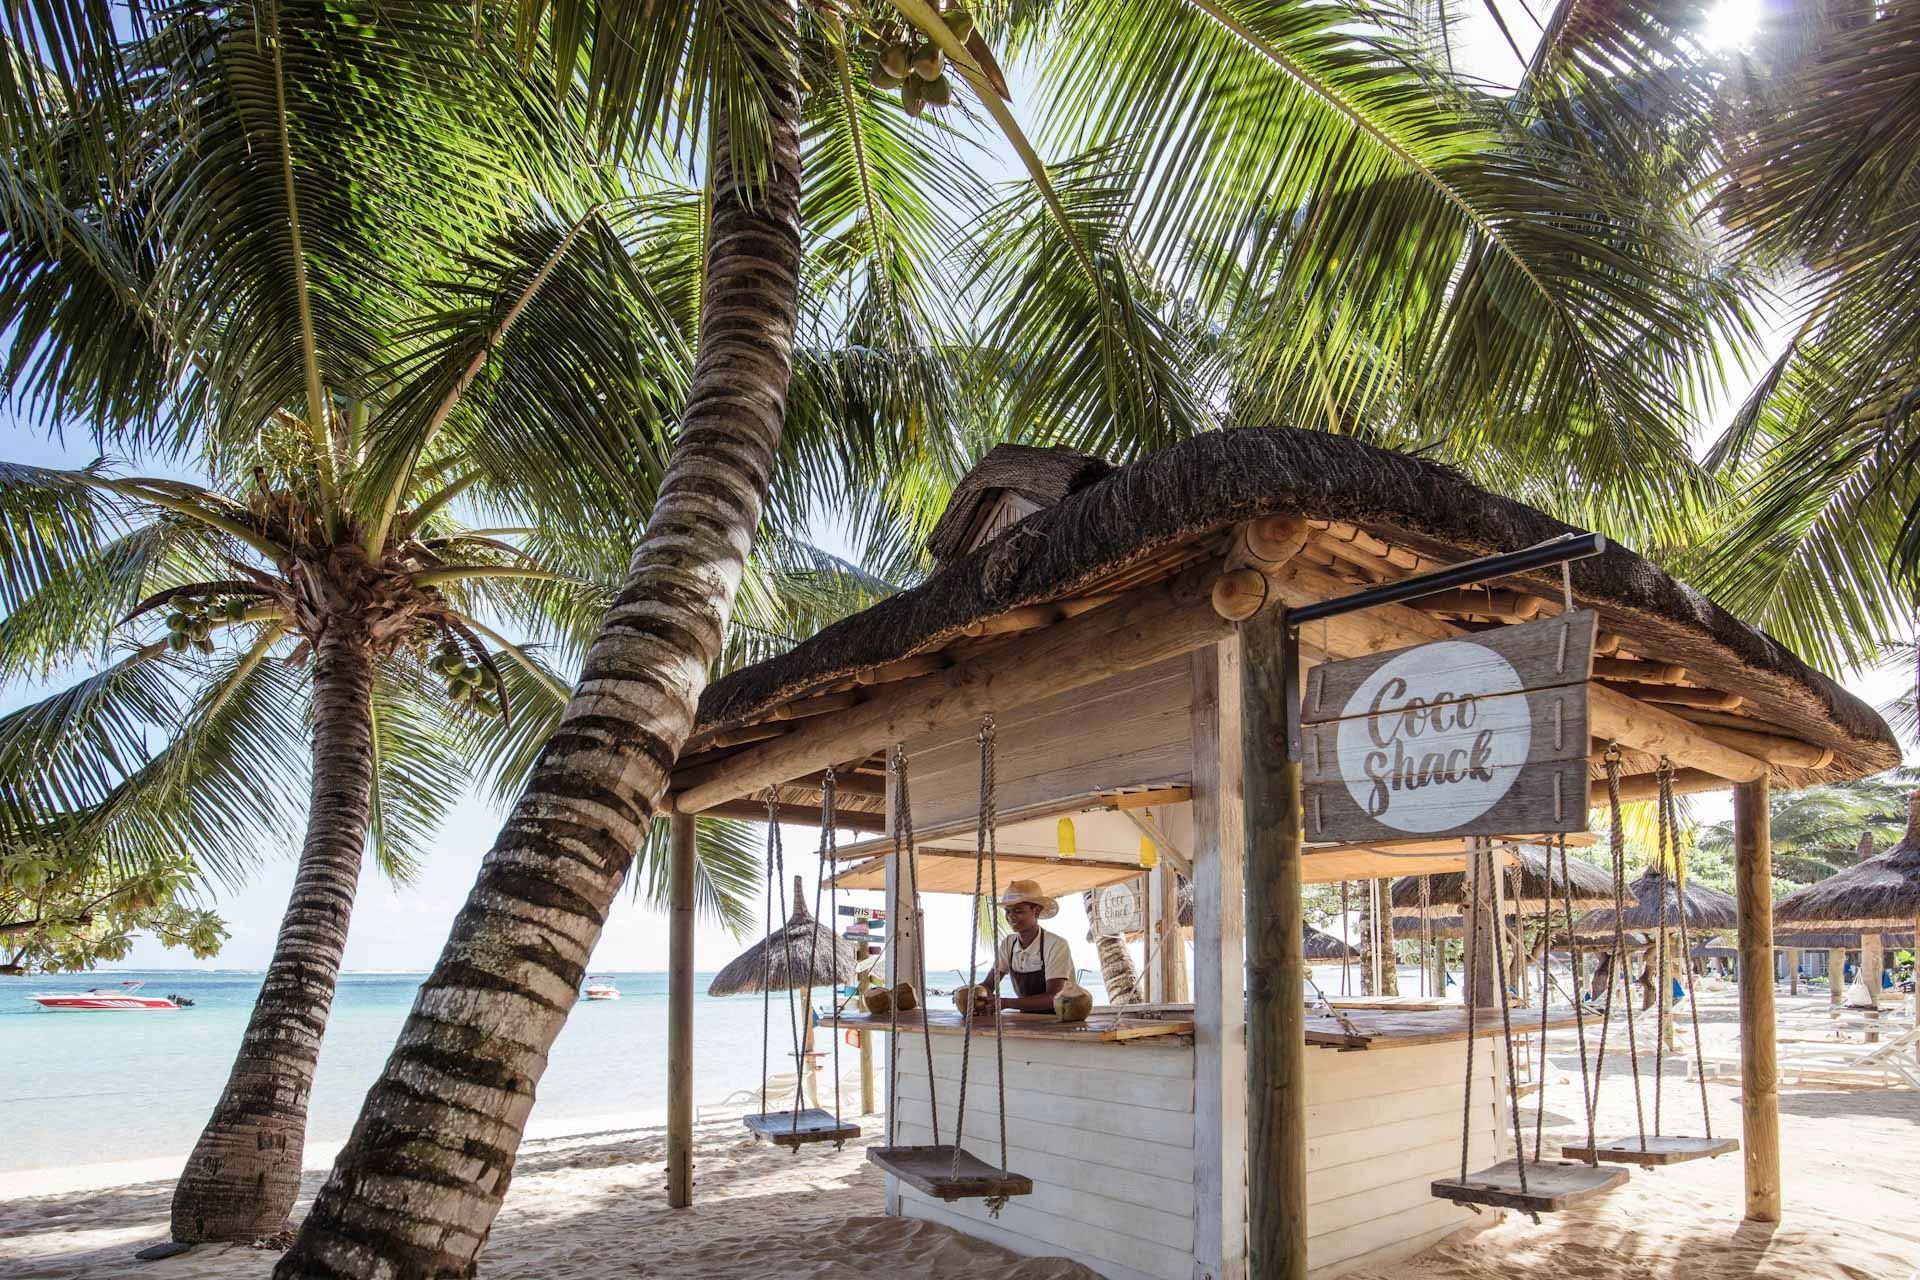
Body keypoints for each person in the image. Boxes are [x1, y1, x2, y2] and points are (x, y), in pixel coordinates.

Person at [979, 880, 1077, 1013]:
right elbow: (989, 985)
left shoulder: (1056, 945)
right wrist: (971, 993)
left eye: (1018, 911)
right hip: (1028, 1018)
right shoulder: (1008, 944)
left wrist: (1005, 1003)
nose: (1011, 917)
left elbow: (1053, 997)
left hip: (1060, 1018)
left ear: (1036, 911)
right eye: (1007, 911)